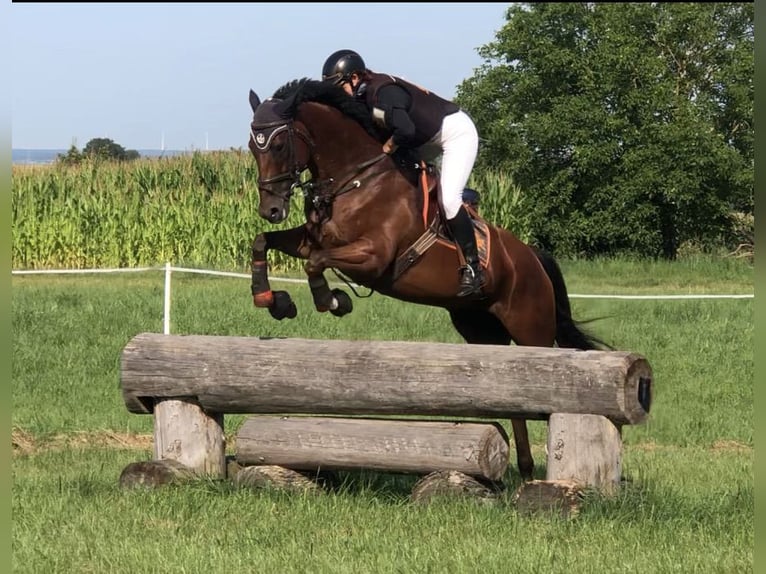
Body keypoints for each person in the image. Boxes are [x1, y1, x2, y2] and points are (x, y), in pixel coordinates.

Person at [321, 49, 484, 298]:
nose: (337, 94)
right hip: (425, 136)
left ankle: (473, 268)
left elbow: (405, 131)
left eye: (339, 86)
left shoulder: (381, 93)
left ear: (354, 78)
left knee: (450, 200)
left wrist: (389, 146)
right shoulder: (364, 95)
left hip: (454, 134)